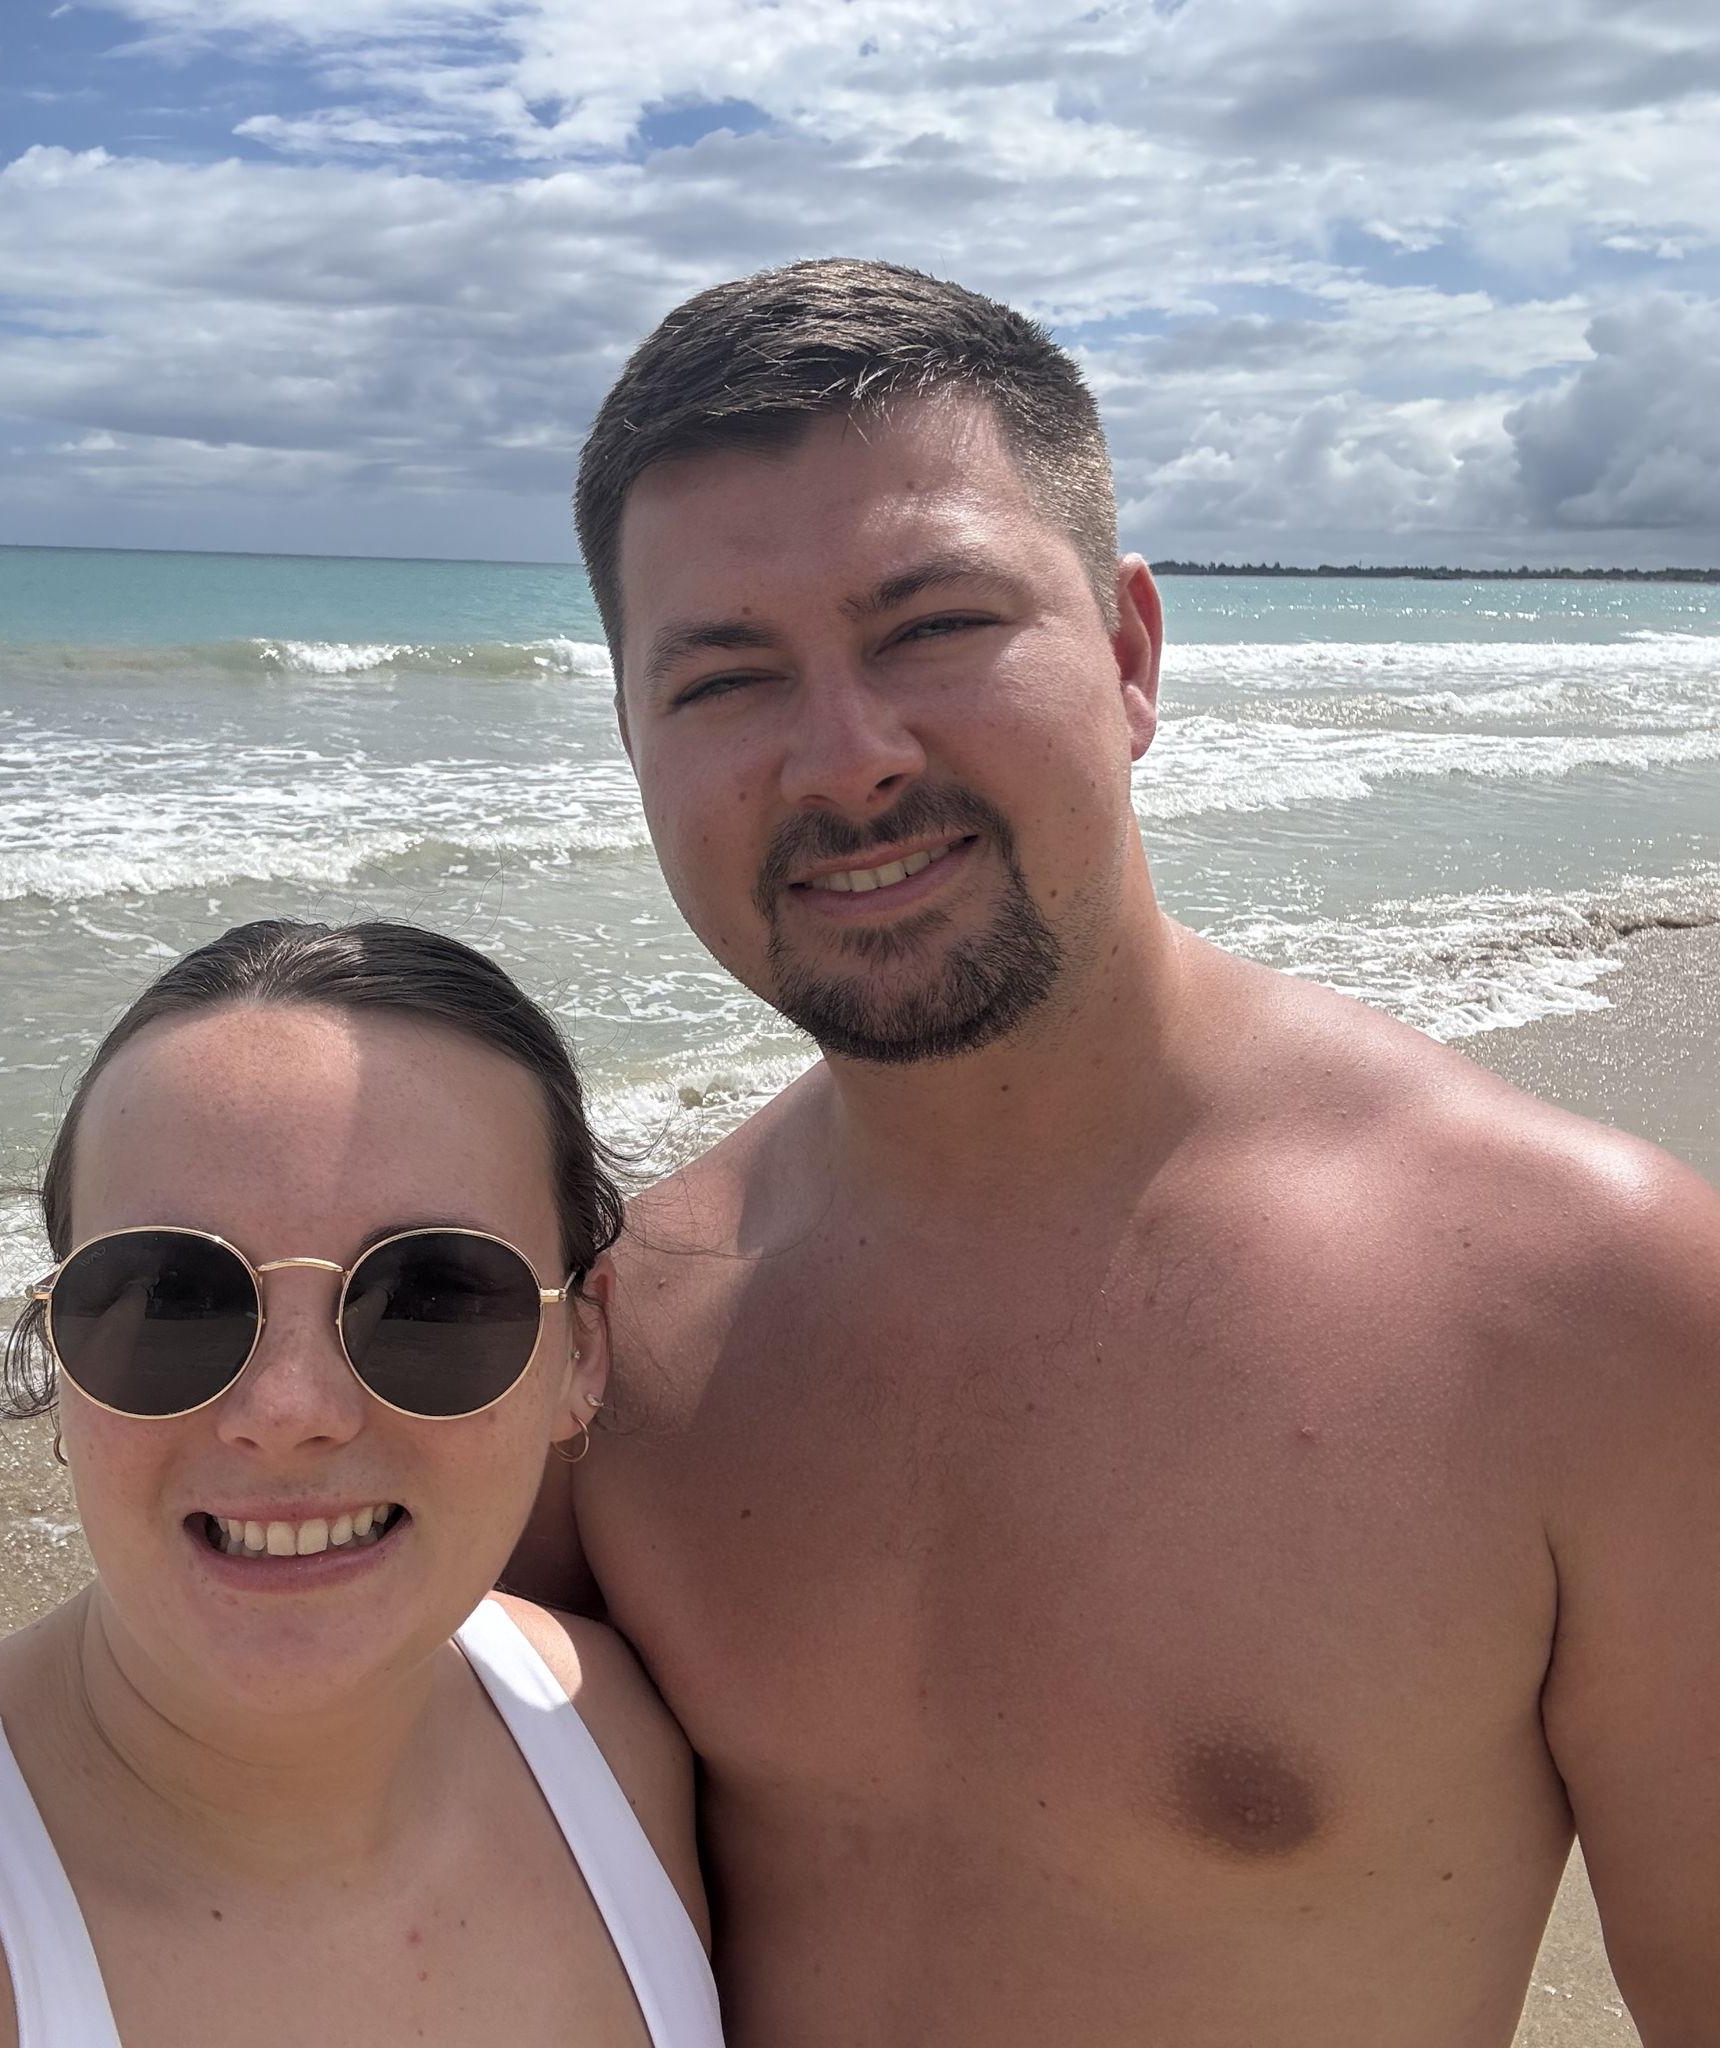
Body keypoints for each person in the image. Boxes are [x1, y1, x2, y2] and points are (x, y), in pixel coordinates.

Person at [510, 259, 1720, 2045]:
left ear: (1132, 653)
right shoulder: (612, 1343)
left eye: (932, 625)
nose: (844, 759)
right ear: (630, 739)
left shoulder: (1584, 1299)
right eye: (723, 678)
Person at [0, 919, 721, 2048]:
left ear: (581, 1353)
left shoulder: (616, 1736)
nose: (288, 1409)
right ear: (62, 1354)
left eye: (430, 1296)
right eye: (175, 1296)